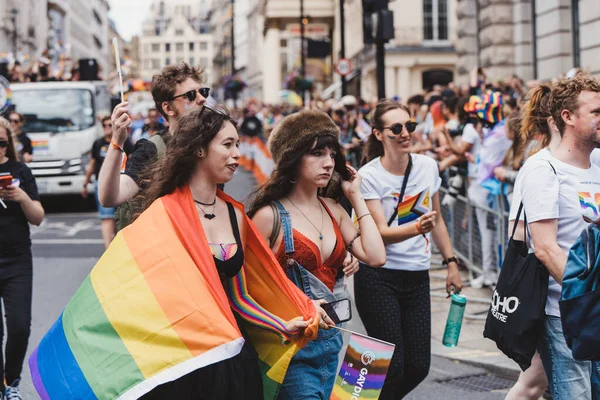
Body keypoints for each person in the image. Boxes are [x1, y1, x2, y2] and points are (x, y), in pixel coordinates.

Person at [134, 105, 329, 399]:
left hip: (231, 355)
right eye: (227, 144)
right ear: (199, 150)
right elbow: (151, 297)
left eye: (237, 144)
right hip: (184, 359)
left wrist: (282, 325)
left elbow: (239, 297)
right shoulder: (165, 212)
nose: (237, 153)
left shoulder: (235, 214)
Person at [248, 110, 386, 399]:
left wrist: (355, 197)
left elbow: (375, 255)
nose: (328, 163)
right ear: (292, 158)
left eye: (332, 154)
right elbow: (249, 287)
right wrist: (298, 302)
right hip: (291, 349)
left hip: (333, 346)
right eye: (316, 154)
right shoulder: (268, 217)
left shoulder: (333, 209)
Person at [355, 99, 463, 399]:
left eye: (410, 126)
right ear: (378, 134)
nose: (406, 133)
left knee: (418, 367)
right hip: (378, 276)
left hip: (417, 276)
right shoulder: (369, 176)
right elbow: (379, 234)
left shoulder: (427, 167)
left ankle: (354, 394)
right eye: (397, 128)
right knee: (389, 365)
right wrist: (417, 228)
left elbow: (437, 218)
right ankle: (352, 392)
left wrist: (451, 262)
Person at [517, 74, 600, 398]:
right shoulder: (543, 169)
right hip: (564, 314)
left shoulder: (597, 165)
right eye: (595, 112)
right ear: (568, 117)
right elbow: (545, 248)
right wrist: (588, 294)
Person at [505, 84, 558, 400]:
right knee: (533, 382)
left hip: (556, 294)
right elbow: (519, 231)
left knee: (542, 383)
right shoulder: (539, 165)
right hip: (543, 292)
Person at [98, 63, 208, 209]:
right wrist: (116, 141)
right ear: (168, 108)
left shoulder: (211, 142)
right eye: (191, 95)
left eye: (204, 92)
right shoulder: (152, 150)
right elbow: (109, 198)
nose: (202, 99)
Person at [0, 117, 45, 400]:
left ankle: (11, 382)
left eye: (2, 143)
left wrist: (21, 196)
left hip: (17, 261)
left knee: (18, 326)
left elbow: (38, 217)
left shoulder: (20, 170)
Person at [82, 116, 133, 249]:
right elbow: (92, 164)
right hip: (102, 182)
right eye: (104, 125)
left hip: (122, 181)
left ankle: (119, 246)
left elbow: (133, 160)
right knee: (106, 216)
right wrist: (85, 182)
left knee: (122, 216)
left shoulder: (125, 141)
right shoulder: (98, 143)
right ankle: (108, 249)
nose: (107, 128)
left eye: (109, 125)